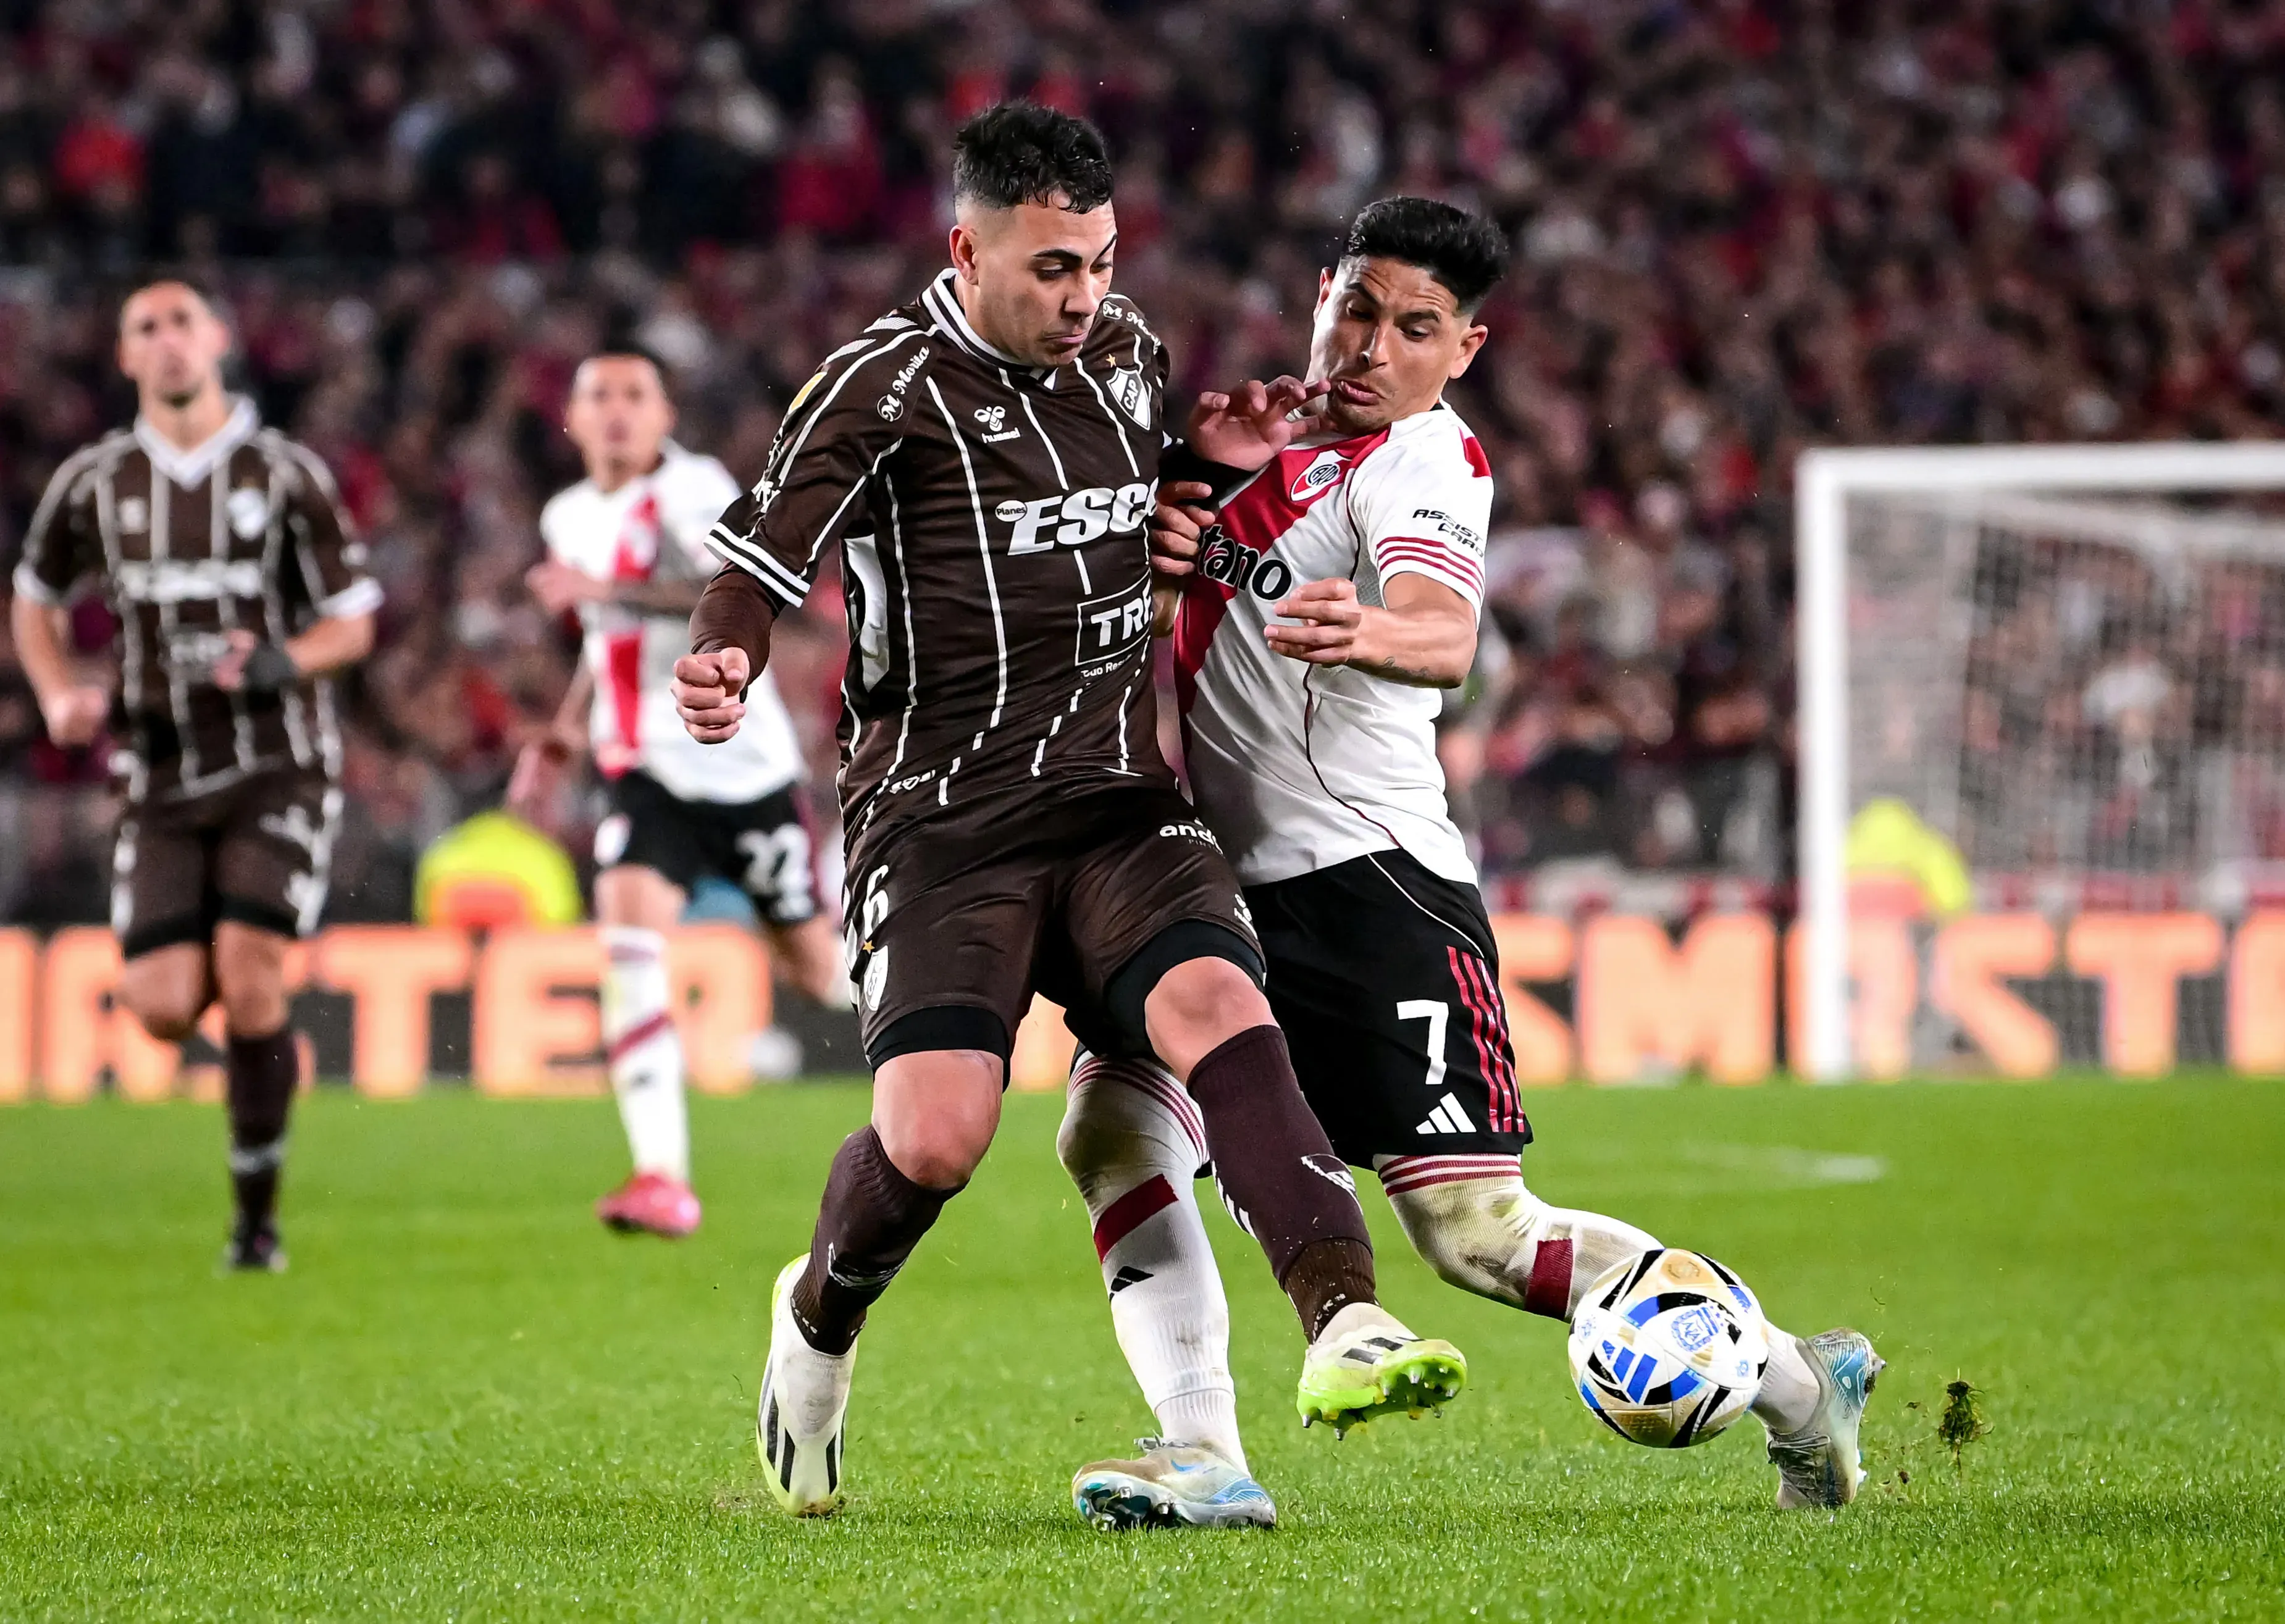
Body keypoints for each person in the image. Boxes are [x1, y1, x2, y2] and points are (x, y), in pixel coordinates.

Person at [671, 103, 1468, 1518]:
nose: (1081, 296)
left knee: (1221, 1007)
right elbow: (764, 546)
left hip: (1114, 798)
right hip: (940, 823)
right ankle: (815, 1324)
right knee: (934, 1139)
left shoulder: (1126, 352)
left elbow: (1152, 512)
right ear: (964, 247)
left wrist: (1207, 469)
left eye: (1098, 262)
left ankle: (1344, 1317)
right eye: (1049, 269)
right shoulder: (876, 383)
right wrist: (727, 647)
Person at [1059, 198, 1883, 1529]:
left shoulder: (1426, 464)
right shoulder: (1264, 441)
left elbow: (1441, 630)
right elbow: (1172, 628)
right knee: (1109, 1126)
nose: (1374, 346)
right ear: (1321, 289)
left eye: (1417, 328)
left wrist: (1356, 627)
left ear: (1467, 347)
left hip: (1367, 887)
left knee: (1473, 1238)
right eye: (1360, 309)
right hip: (1210, 884)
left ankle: (1797, 1384)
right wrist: (1188, 514)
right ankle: (1199, 1452)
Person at [9, 278, 378, 1271]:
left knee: (254, 980)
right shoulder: (93, 481)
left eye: (183, 323)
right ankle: (232, 981)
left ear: (217, 338)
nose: (169, 343)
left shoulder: (283, 471)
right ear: (124, 356)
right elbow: (34, 596)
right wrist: (55, 691)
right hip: (159, 771)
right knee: (164, 1005)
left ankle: (256, 1224)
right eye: (145, 329)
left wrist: (283, 660)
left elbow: (354, 619)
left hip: (277, 764)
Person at [508, 348, 846, 1239]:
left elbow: (724, 590)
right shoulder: (569, 513)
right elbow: (599, 633)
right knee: (625, 933)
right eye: (598, 396)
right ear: (572, 419)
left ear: (665, 416)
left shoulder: (696, 489)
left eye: (635, 395)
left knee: (820, 976)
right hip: (644, 769)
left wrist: (602, 588)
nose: (617, 410)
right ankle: (664, 1176)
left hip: (743, 769)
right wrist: (568, 728)